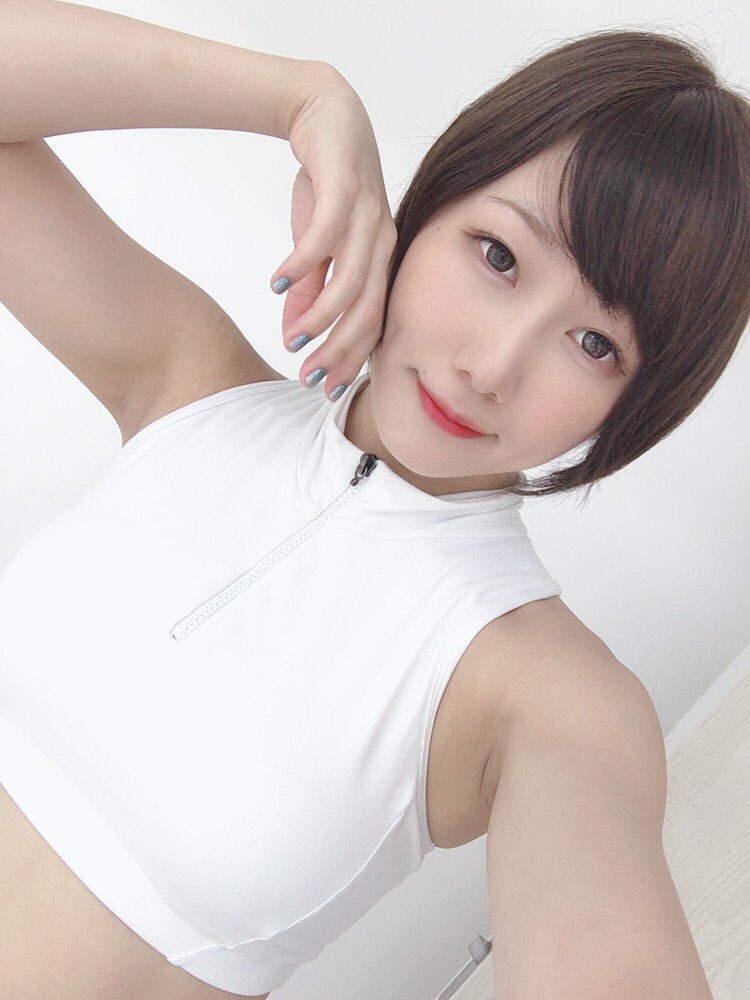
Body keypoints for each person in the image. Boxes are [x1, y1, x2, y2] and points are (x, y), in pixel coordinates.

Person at [0, 3, 746, 998]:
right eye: (498, 256)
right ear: (423, 211)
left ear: (637, 406)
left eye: (594, 343)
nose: (492, 365)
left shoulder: (545, 694)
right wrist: (301, 97)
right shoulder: (188, 382)